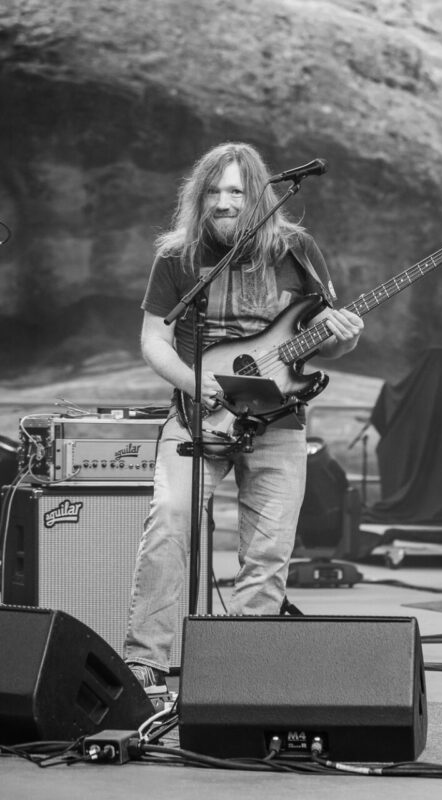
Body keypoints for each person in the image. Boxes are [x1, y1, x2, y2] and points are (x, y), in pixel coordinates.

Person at [124, 142, 363, 687]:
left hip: (280, 420)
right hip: (197, 416)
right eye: (215, 190)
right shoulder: (178, 256)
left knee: (268, 552)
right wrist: (196, 382)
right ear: (199, 195)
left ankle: (238, 675)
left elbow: (324, 340)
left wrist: (345, 338)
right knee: (168, 526)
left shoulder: (297, 250)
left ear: (258, 195)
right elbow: (153, 339)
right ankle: (145, 665)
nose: (225, 201)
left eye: (236, 190)